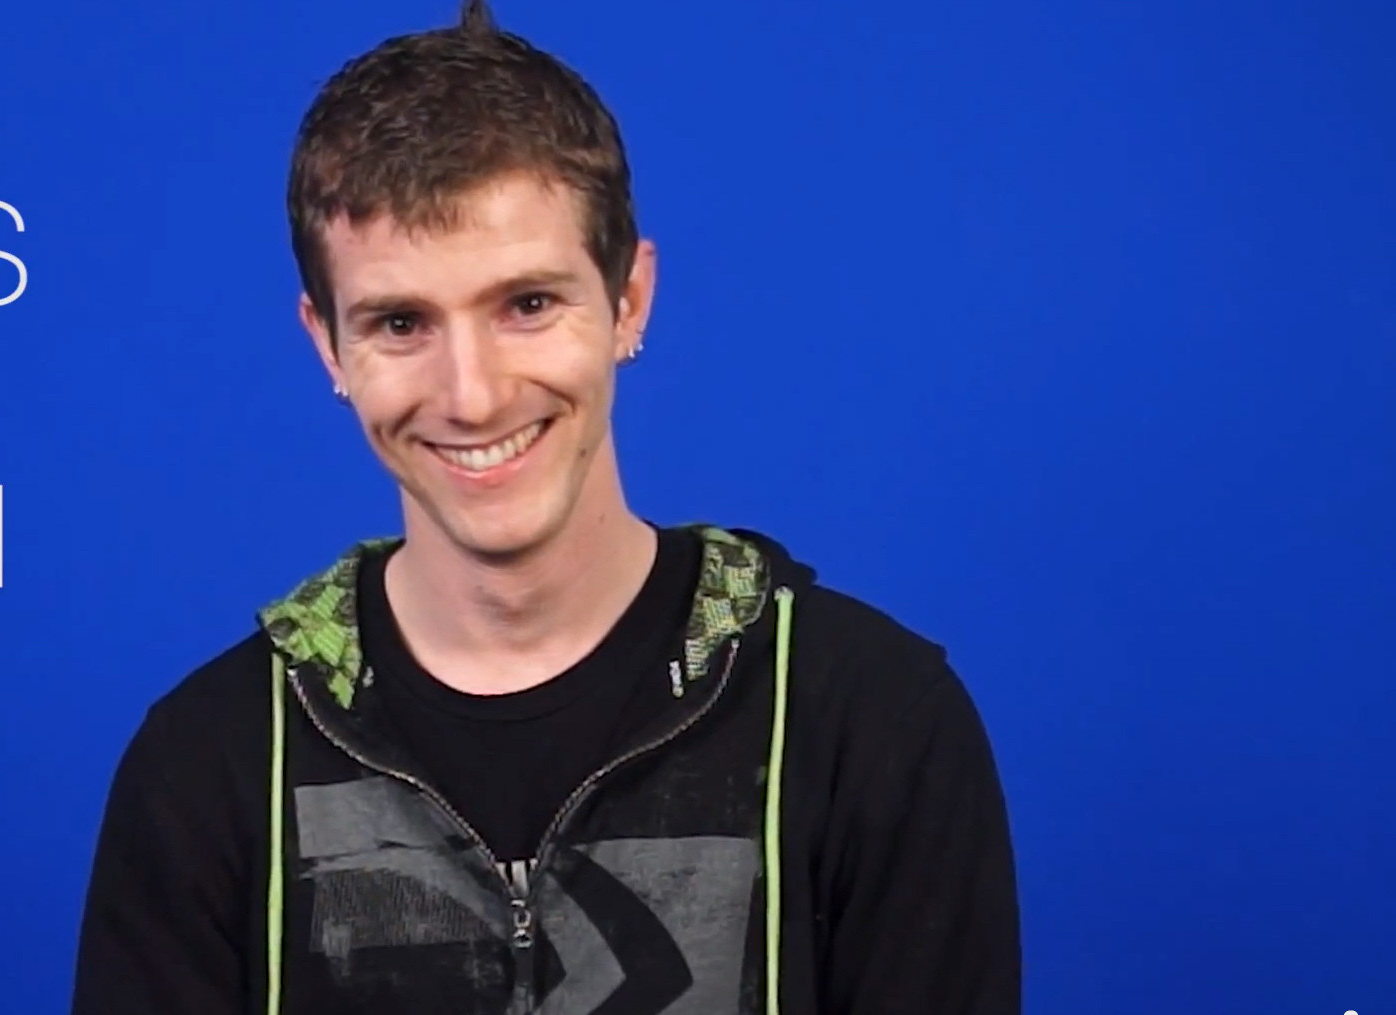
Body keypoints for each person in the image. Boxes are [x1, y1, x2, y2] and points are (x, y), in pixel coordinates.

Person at [70, 1, 1020, 1012]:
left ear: (629, 300)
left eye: (527, 304)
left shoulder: (870, 724)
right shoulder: (210, 765)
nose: (473, 395)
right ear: (328, 345)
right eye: (401, 322)